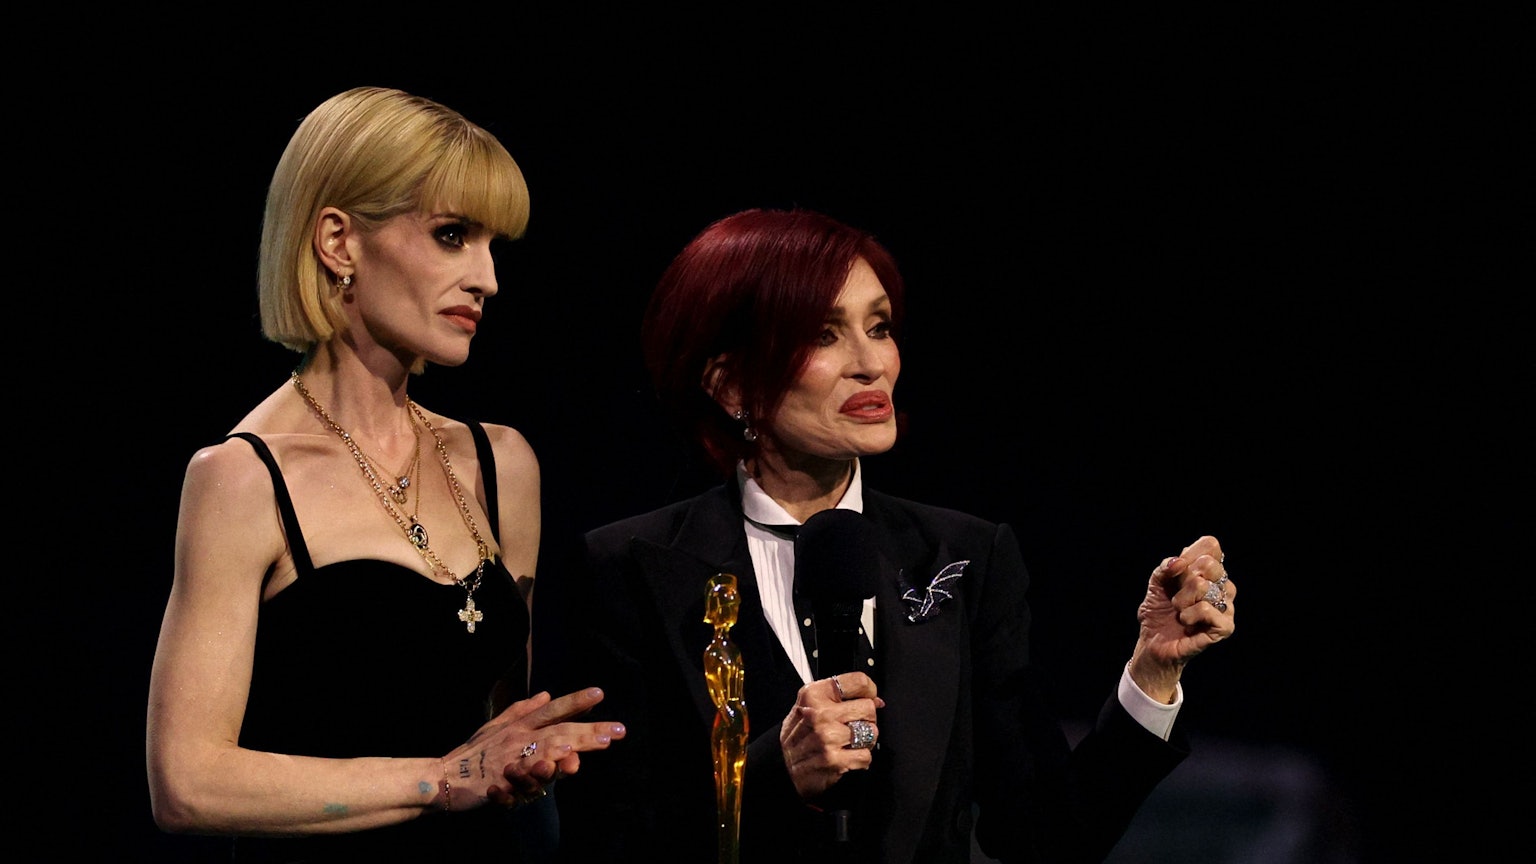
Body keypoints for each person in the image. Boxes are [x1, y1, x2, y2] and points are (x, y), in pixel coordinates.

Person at [542, 207, 1236, 863]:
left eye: (879, 326)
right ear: (731, 387)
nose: (871, 363)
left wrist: (1153, 672)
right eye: (822, 334)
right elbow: (607, 839)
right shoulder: (625, 568)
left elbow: (1045, 835)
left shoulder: (966, 555)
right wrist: (771, 777)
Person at [145, 86, 625, 862]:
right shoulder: (243, 479)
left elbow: (502, 743)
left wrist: (533, 761)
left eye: (491, 245)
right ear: (338, 241)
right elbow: (188, 782)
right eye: (451, 236)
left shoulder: (502, 463)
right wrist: (438, 779)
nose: (488, 279)